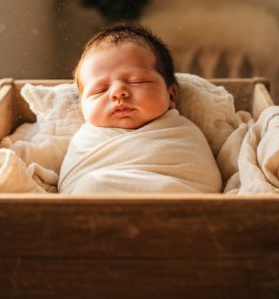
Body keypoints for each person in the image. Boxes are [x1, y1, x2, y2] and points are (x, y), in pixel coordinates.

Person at [58, 23, 222, 194]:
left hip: (174, 201)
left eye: (137, 81)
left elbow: (204, 182)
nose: (118, 92)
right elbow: (70, 186)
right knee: (93, 185)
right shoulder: (84, 140)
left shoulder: (183, 132)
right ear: (83, 107)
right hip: (98, 206)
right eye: (100, 89)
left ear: (171, 95)